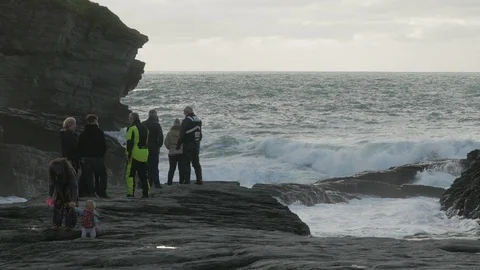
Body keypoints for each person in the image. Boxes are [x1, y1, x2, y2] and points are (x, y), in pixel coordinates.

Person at [77, 114, 108, 198]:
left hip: (86, 158)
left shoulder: (83, 133)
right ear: (95, 121)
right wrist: (101, 155)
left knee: (89, 177)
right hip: (98, 158)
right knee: (102, 175)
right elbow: (104, 145)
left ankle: (92, 193)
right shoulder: (99, 132)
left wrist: (81, 157)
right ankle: (101, 192)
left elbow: (79, 146)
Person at [48, 158, 78, 231]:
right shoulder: (52, 168)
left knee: (70, 206)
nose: (57, 172)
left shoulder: (69, 171)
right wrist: (50, 195)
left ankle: (70, 225)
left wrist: (73, 200)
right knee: (58, 205)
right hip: (59, 187)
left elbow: (74, 186)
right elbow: (52, 183)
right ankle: (57, 224)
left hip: (70, 188)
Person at [176, 106, 203, 185]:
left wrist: (178, 145)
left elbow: (182, 135)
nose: (184, 114)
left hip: (188, 144)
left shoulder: (186, 120)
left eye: (184, 113)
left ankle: (187, 181)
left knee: (186, 163)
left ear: (187, 112)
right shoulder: (198, 120)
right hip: (196, 144)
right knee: (196, 163)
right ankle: (199, 180)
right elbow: (200, 134)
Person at [126, 112, 150, 198]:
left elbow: (129, 143)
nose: (129, 119)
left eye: (129, 118)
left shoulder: (131, 128)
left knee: (130, 174)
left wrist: (128, 155)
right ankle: (146, 193)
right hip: (144, 153)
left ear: (132, 119)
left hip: (134, 154)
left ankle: (130, 193)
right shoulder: (145, 128)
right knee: (143, 175)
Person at [142, 109, 164, 188]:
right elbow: (161, 137)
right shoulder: (157, 125)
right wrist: (159, 145)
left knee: (146, 166)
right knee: (154, 166)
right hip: (154, 148)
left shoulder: (143, 124)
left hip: (145, 148)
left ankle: (147, 182)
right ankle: (156, 183)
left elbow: (140, 136)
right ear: (155, 115)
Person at [164, 118, 184, 185]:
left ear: (174, 124)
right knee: (181, 169)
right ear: (180, 124)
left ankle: (169, 183)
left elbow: (166, 142)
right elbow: (185, 142)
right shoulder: (182, 132)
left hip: (172, 153)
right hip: (181, 152)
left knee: (172, 169)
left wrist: (170, 148)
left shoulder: (169, 133)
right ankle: (181, 182)